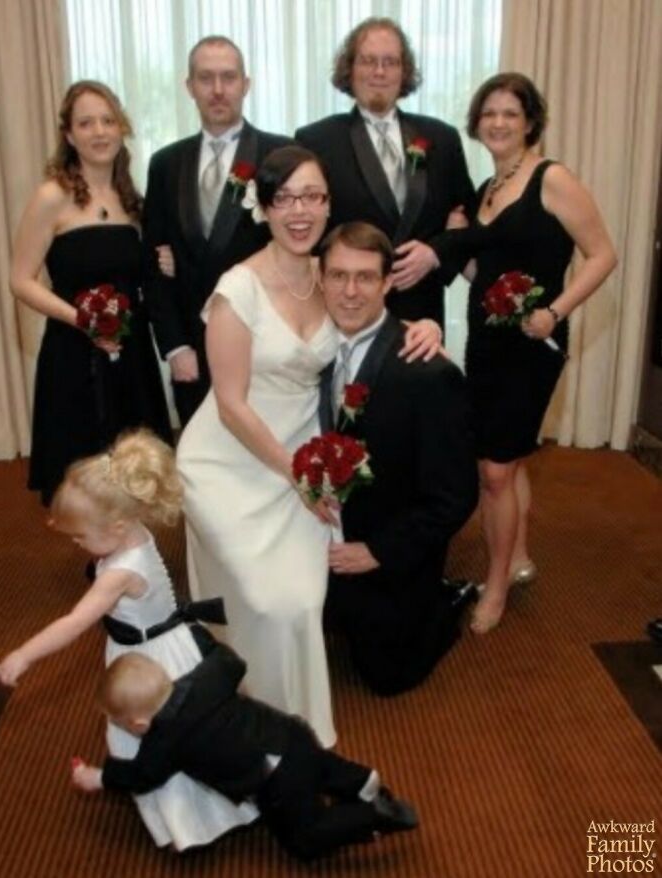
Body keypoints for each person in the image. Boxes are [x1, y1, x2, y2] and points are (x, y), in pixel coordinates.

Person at [177, 146, 441, 747]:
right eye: (286, 198)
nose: (300, 211)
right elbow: (230, 404)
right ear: (264, 207)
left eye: (313, 197)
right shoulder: (237, 290)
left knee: (299, 600)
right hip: (231, 460)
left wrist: (426, 326)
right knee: (261, 600)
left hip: (308, 451)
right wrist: (295, 473)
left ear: (327, 204)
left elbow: (371, 316)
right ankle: (244, 712)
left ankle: (295, 728)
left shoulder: (328, 274)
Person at [0, 429, 258, 850]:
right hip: (155, 643)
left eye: (81, 537)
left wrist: (24, 655)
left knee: (157, 737)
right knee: (179, 732)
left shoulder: (119, 573)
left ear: (116, 527)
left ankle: (190, 822)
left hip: (148, 659)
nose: (78, 545)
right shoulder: (134, 528)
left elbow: (74, 622)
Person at [433, 72, 617, 633]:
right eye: (489, 113)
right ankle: (516, 556)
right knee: (506, 459)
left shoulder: (551, 178)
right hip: (487, 341)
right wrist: (457, 238)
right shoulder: (487, 189)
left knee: (494, 470)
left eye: (510, 113)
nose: (498, 122)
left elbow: (603, 255)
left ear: (530, 121)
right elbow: (482, 273)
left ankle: (494, 589)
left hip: (532, 346)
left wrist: (555, 311)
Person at [318, 222, 479, 695]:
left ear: (388, 282)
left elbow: (455, 497)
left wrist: (378, 552)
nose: (350, 292)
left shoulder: (428, 374)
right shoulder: (306, 350)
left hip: (389, 550)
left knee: (388, 678)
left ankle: (448, 600)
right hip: (321, 535)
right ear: (320, 279)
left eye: (366, 277)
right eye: (338, 276)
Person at [71, 648, 418, 860]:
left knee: (304, 838)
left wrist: (98, 776)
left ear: (139, 723)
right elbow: (231, 661)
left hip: (273, 778)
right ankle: (360, 779)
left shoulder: (163, 741)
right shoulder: (204, 678)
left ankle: (371, 815)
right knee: (321, 766)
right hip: (291, 734)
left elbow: (142, 776)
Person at [10, 80, 172, 506]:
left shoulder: (131, 199)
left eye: (107, 120)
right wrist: (83, 321)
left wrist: (164, 262)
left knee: (134, 468)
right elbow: (20, 280)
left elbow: (143, 273)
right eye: (86, 123)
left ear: (121, 128)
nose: (99, 131)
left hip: (131, 353)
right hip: (74, 351)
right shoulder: (52, 197)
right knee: (82, 475)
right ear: (69, 135)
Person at [143, 36, 292, 425]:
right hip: (192, 349)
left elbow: (298, 249)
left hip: (263, 347)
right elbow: (152, 265)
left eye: (229, 77)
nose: (218, 89)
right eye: (206, 78)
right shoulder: (165, 164)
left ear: (246, 84)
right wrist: (175, 346)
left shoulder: (281, 155)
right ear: (189, 86)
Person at [295, 16, 475, 328]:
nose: (379, 72)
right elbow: (305, 228)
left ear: (404, 72)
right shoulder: (316, 141)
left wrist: (435, 253)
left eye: (390, 62)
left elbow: (469, 220)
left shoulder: (442, 139)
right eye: (368, 61)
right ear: (350, 69)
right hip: (345, 314)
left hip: (422, 317)